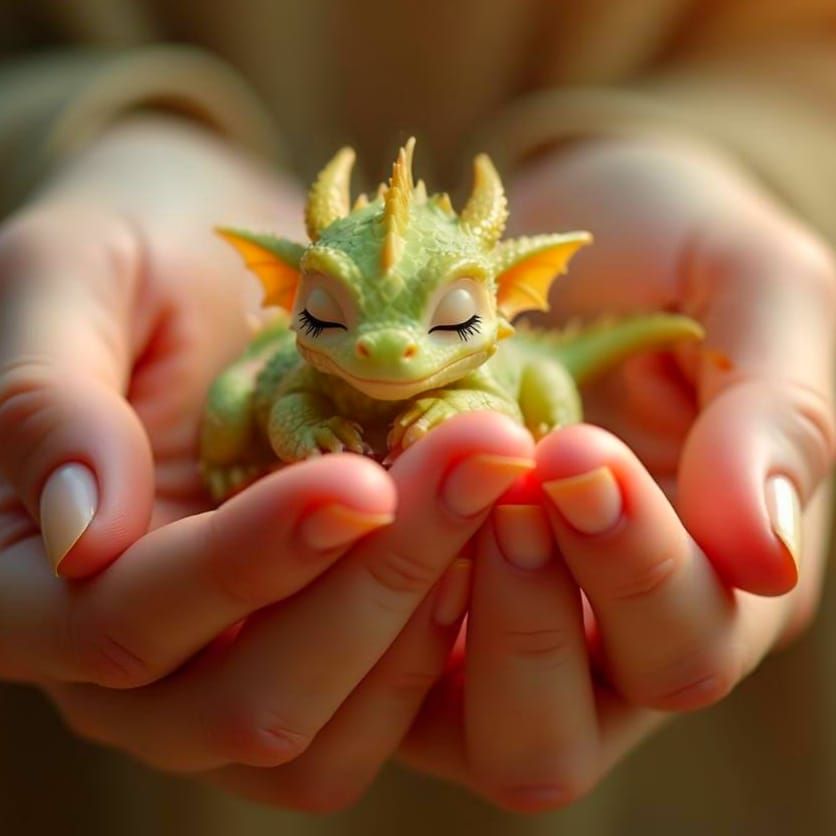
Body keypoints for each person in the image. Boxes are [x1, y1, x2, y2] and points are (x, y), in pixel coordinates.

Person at [0, 2, 834, 833]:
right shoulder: (302, 375)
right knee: (233, 400)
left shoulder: (492, 367)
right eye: (331, 317)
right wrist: (61, 146)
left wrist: (744, 164)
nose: (390, 353)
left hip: (728, 771)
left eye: (442, 325)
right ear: (293, 287)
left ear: (506, 293)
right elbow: (275, 399)